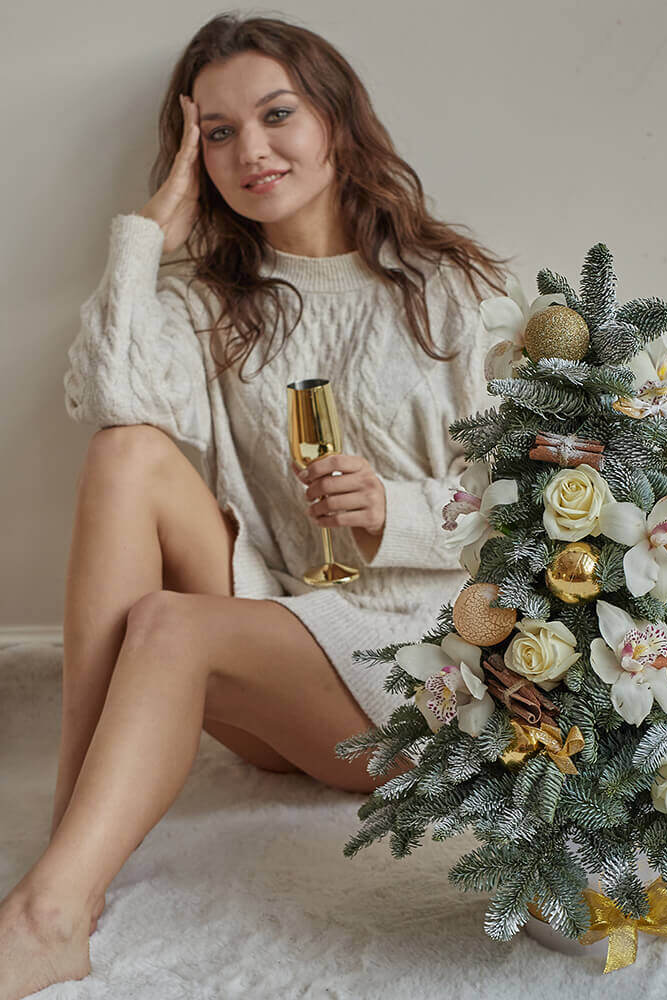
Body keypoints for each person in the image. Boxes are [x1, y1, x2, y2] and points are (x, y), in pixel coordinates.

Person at [0, 13, 509, 997]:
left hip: (411, 673)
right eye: (218, 133)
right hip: (277, 651)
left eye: (277, 116)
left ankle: (47, 914)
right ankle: (70, 854)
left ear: (336, 121)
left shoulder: (450, 290)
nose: (252, 152)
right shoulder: (215, 300)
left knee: (167, 624)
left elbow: (526, 512)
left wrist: (394, 513)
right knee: (126, 452)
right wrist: (149, 234)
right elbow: (109, 396)